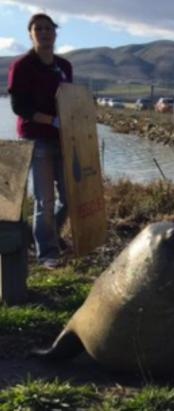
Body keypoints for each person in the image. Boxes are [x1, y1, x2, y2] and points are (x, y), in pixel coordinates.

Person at [7, 13, 73, 269]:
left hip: (64, 139)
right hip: (37, 140)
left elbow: (69, 100)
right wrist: (50, 121)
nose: (44, 32)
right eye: (38, 29)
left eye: (48, 28)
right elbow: (18, 106)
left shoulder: (65, 66)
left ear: (55, 33)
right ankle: (47, 253)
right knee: (44, 199)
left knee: (68, 198)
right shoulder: (22, 66)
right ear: (31, 34)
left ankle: (48, 237)